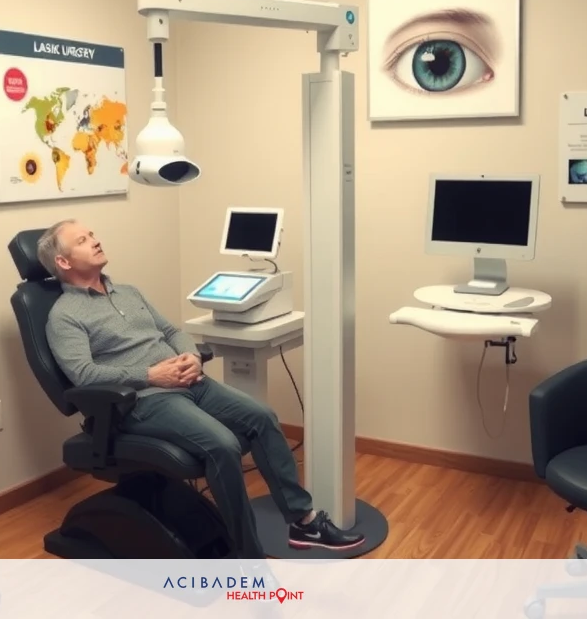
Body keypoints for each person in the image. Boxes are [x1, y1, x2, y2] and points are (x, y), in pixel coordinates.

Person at [38, 218, 365, 558]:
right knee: (221, 444)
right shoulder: (64, 315)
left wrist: (191, 355)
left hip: (190, 380)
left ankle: (304, 522)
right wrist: (151, 375)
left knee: (263, 417)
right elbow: (84, 375)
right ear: (63, 261)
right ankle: (248, 557)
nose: (95, 239)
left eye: (93, 233)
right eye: (82, 239)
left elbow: (170, 330)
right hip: (144, 399)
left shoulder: (128, 291)